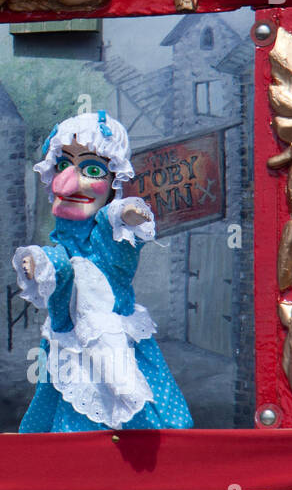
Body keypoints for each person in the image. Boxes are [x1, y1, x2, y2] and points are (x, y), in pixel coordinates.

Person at [13, 111, 193, 432]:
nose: (69, 179)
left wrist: (128, 213)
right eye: (64, 165)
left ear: (114, 182)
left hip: (116, 340)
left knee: (143, 410)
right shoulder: (64, 243)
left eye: (92, 169)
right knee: (65, 409)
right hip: (71, 342)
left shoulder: (108, 237)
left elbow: (116, 219)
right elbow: (60, 269)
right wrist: (39, 263)